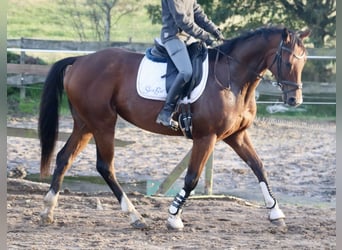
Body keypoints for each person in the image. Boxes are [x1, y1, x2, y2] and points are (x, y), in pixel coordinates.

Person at [155, 0, 224, 130]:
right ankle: (166, 112)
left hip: (188, 38)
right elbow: (182, 20)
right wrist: (205, 36)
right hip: (172, 37)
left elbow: (198, 14)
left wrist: (215, 30)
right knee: (186, 71)